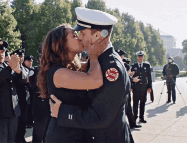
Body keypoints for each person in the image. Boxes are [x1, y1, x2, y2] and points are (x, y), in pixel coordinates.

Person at [49, 7, 134, 143]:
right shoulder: (98, 60)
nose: (79, 37)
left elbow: (101, 117)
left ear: (97, 35)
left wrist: (64, 113)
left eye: (82, 33)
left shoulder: (111, 67)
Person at [36, 23, 108, 142]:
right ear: (61, 44)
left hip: (75, 132)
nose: (80, 37)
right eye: (74, 35)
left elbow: (93, 69)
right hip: (63, 137)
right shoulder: (58, 73)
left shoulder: (70, 67)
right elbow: (95, 80)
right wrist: (93, 54)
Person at [115, 49, 142, 129]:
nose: (121, 57)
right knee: (120, 109)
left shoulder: (124, 65)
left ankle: (132, 124)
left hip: (125, 90)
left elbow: (126, 77)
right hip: (118, 91)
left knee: (128, 108)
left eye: (121, 56)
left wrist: (132, 79)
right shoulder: (115, 64)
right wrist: (131, 78)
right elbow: (121, 77)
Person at [30, 50, 51, 143]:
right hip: (40, 105)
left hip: (51, 105)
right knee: (39, 131)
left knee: (49, 132)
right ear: (39, 59)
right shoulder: (34, 70)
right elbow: (32, 86)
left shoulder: (52, 70)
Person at [10, 49, 30, 143]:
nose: (21, 58)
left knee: (23, 121)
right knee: (16, 123)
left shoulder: (25, 69)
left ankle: (21, 137)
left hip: (25, 99)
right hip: (16, 99)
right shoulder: (12, 70)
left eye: (22, 56)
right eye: (19, 56)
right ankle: (16, 139)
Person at [131, 51, 152, 123]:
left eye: (141, 57)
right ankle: (134, 117)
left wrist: (149, 87)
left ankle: (141, 117)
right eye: (139, 57)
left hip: (144, 87)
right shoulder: (134, 66)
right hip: (136, 88)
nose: (140, 58)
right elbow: (131, 77)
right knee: (135, 103)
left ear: (143, 57)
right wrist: (131, 87)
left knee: (142, 103)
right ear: (137, 57)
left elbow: (149, 77)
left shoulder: (147, 65)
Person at [23, 55, 34, 128]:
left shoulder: (32, 69)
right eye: (28, 61)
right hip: (25, 90)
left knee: (31, 107)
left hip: (31, 91)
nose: (30, 63)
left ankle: (30, 121)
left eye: (31, 61)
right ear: (25, 61)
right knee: (27, 107)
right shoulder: (23, 69)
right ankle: (27, 122)